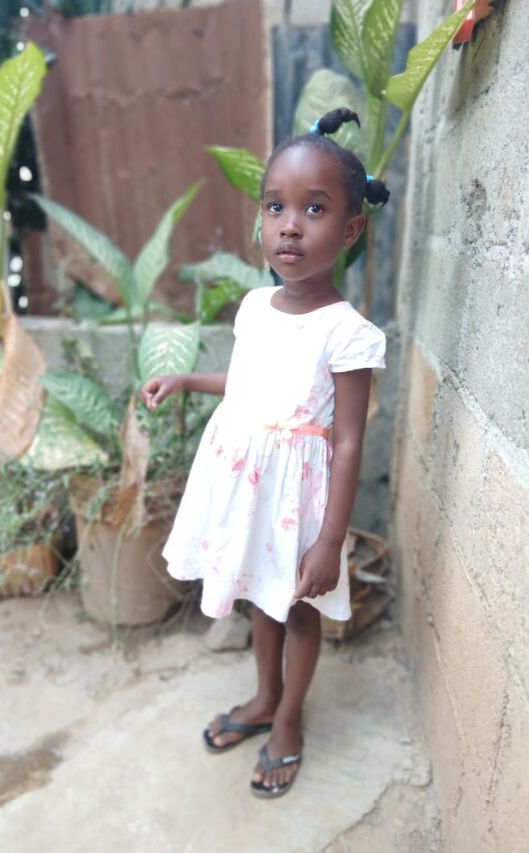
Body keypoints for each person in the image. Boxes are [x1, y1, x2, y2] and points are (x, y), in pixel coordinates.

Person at [141, 107, 388, 799]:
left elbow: (347, 439)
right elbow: (248, 382)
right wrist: (188, 378)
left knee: (298, 608)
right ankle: (262, 695)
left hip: (299, 504)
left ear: (350, 229)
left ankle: (287, 717)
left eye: (315, 208)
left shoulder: (349, 333)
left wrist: (330, 540)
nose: (290, 226)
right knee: (259, 595)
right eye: (276, 206)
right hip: (245, 491)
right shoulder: (255, 306)